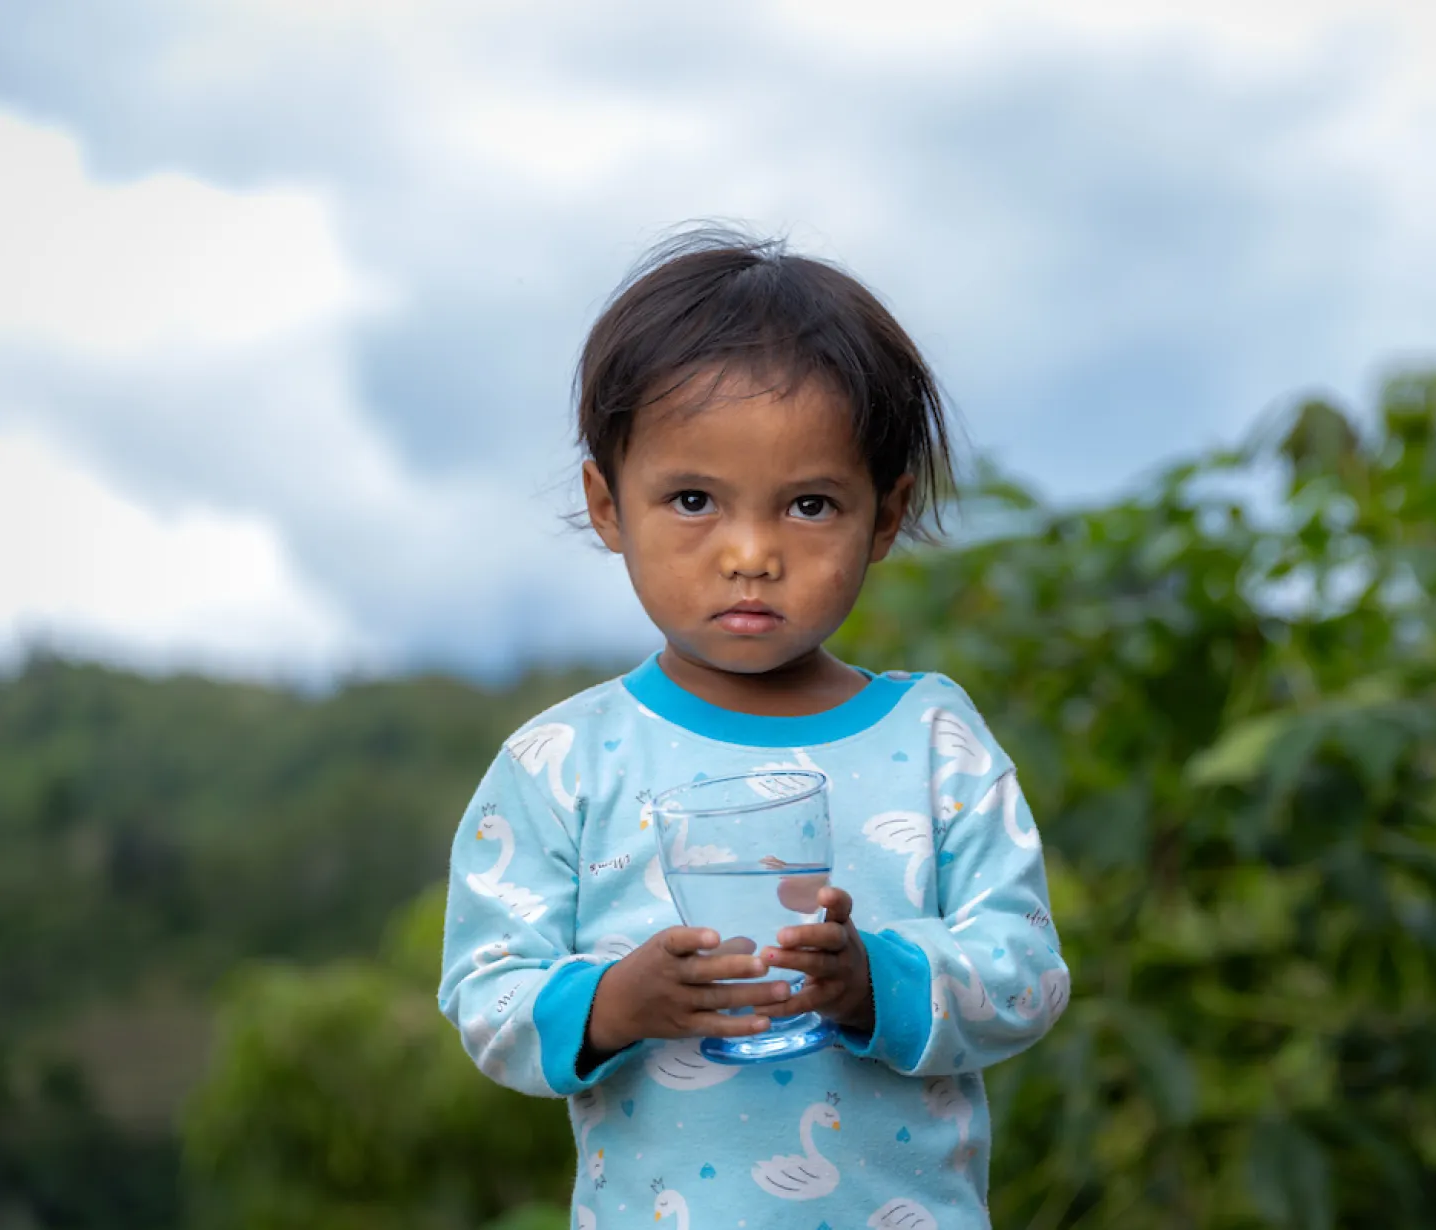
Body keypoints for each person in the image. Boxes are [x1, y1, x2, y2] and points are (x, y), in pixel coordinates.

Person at [438, 228, 1070, 1229]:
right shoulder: (561, 764)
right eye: (693, 500)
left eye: (809, 505)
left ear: (885, 516)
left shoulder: (932, 739)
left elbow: (1028, 977)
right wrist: (614, 1004)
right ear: (608, 505)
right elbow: (486, 998)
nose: (749, 554)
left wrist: (877, 982)